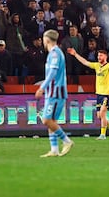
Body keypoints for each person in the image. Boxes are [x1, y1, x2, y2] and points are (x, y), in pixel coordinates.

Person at [67, 47, 109, 140]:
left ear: (105, 56)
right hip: (99, 94)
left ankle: (103, 135)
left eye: (100, 56)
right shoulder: (97, 66)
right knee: (99, 116)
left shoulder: (108, 66)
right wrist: (75, 54)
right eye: (98, 56)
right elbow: (85, 62)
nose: (98, 57)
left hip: (106, 94)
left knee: (102, 113)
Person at [35, 29, 73, 157]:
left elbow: (53, 73)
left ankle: (67, 141)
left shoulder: (55, 54)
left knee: (46, 120)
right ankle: (54, 150)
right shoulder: (54, 53)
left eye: (43, 39)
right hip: (53, 92)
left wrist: (42, 87)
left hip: (56, 92)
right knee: (51, 121)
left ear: (47, 40)